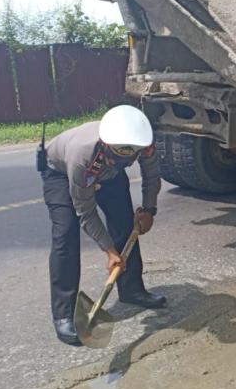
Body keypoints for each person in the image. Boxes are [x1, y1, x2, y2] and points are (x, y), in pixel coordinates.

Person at [41, 105, 165, 346]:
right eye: (117, 156)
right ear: (106, 146)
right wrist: (109, 252)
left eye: (130, 157)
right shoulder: (82, 155)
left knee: (126, 224)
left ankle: (132, 290)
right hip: (60, 173)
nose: (127, 160)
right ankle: (64, 315)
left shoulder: (144, 142)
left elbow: (152, 176)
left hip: (109, 174)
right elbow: (85, 212)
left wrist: (149, 210)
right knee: (65, 235)